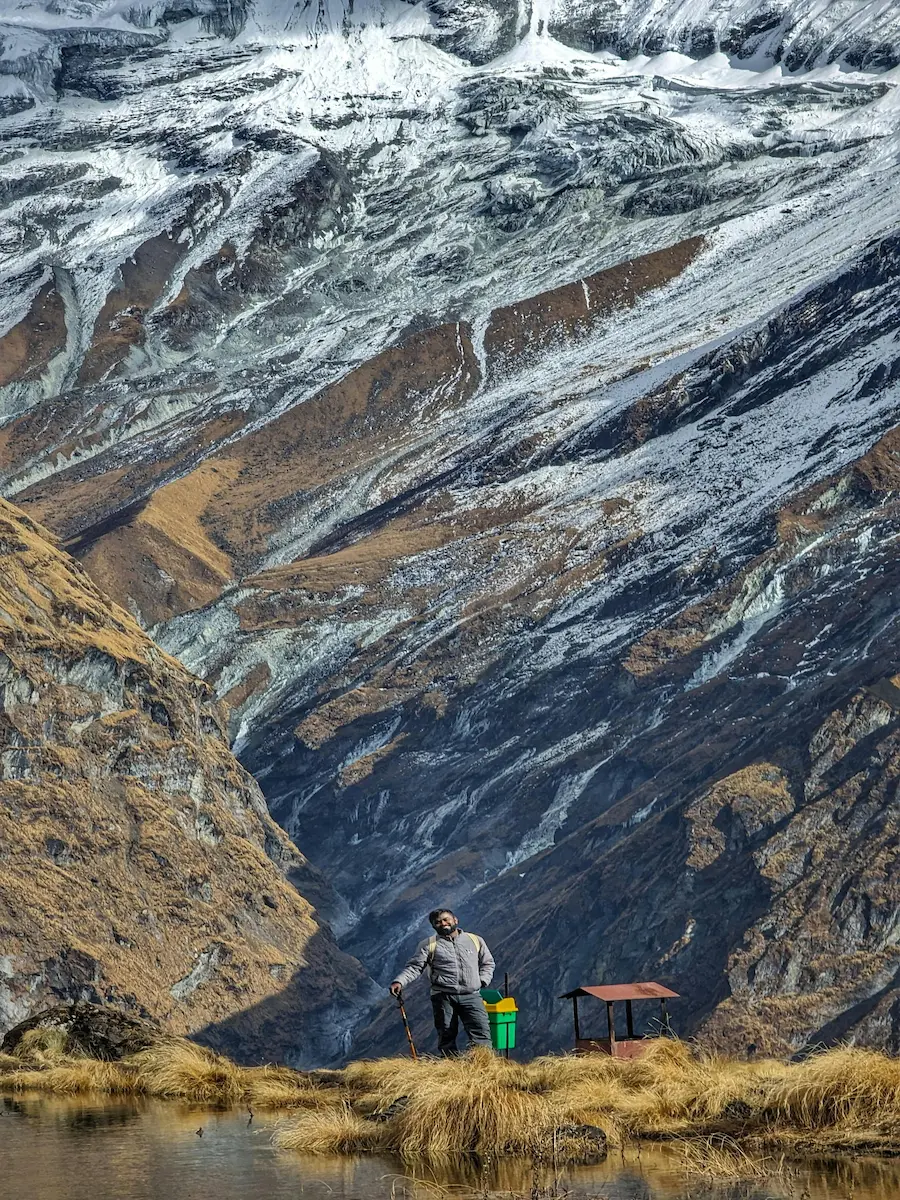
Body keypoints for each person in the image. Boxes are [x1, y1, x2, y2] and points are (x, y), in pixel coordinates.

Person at [390, 908, 495, 1056]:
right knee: (446, 1035)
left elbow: (488, 963)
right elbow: (415, 967)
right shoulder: (428, 945)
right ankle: (450, 1069)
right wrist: (399, 982)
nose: (443, 923)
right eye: (438, 922)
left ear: (455, 920)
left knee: (481, 1032)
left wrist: (482, 981)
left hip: (472, 995)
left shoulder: (475, 940)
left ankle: (483, 1066)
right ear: (433, 926)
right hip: (443, 997)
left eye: (446, 919)